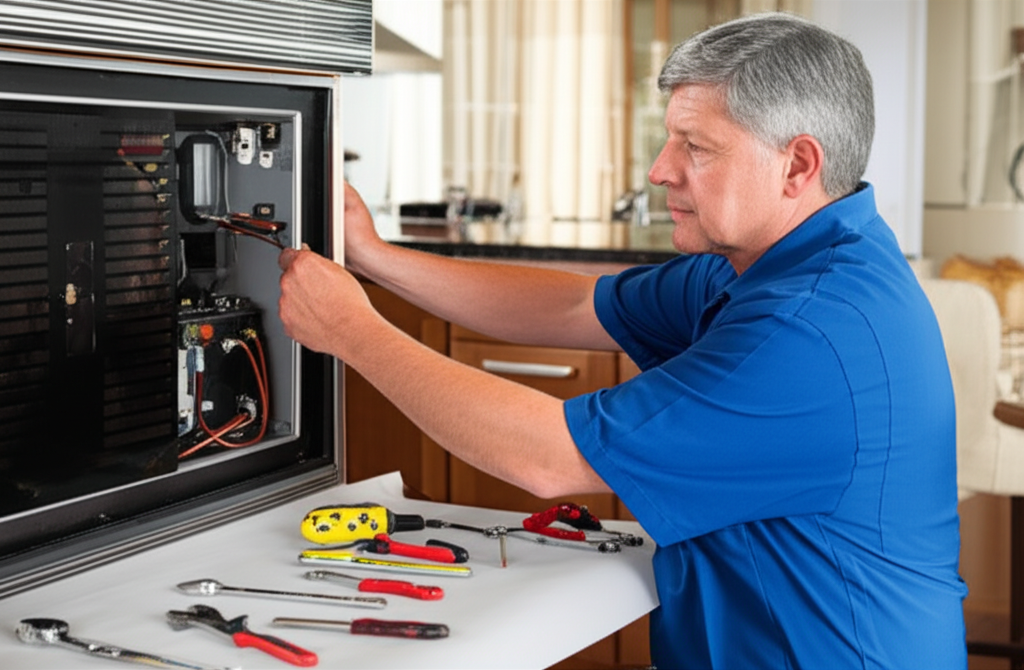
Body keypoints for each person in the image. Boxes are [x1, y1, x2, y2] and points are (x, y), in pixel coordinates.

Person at [278, 12, 967, 669]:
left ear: (796, 166)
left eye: (695, 146)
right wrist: (375, 258)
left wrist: (354, 332)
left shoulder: (809, 334)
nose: (661, 170)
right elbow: (580, 302)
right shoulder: (781, 263)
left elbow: (551, 458)